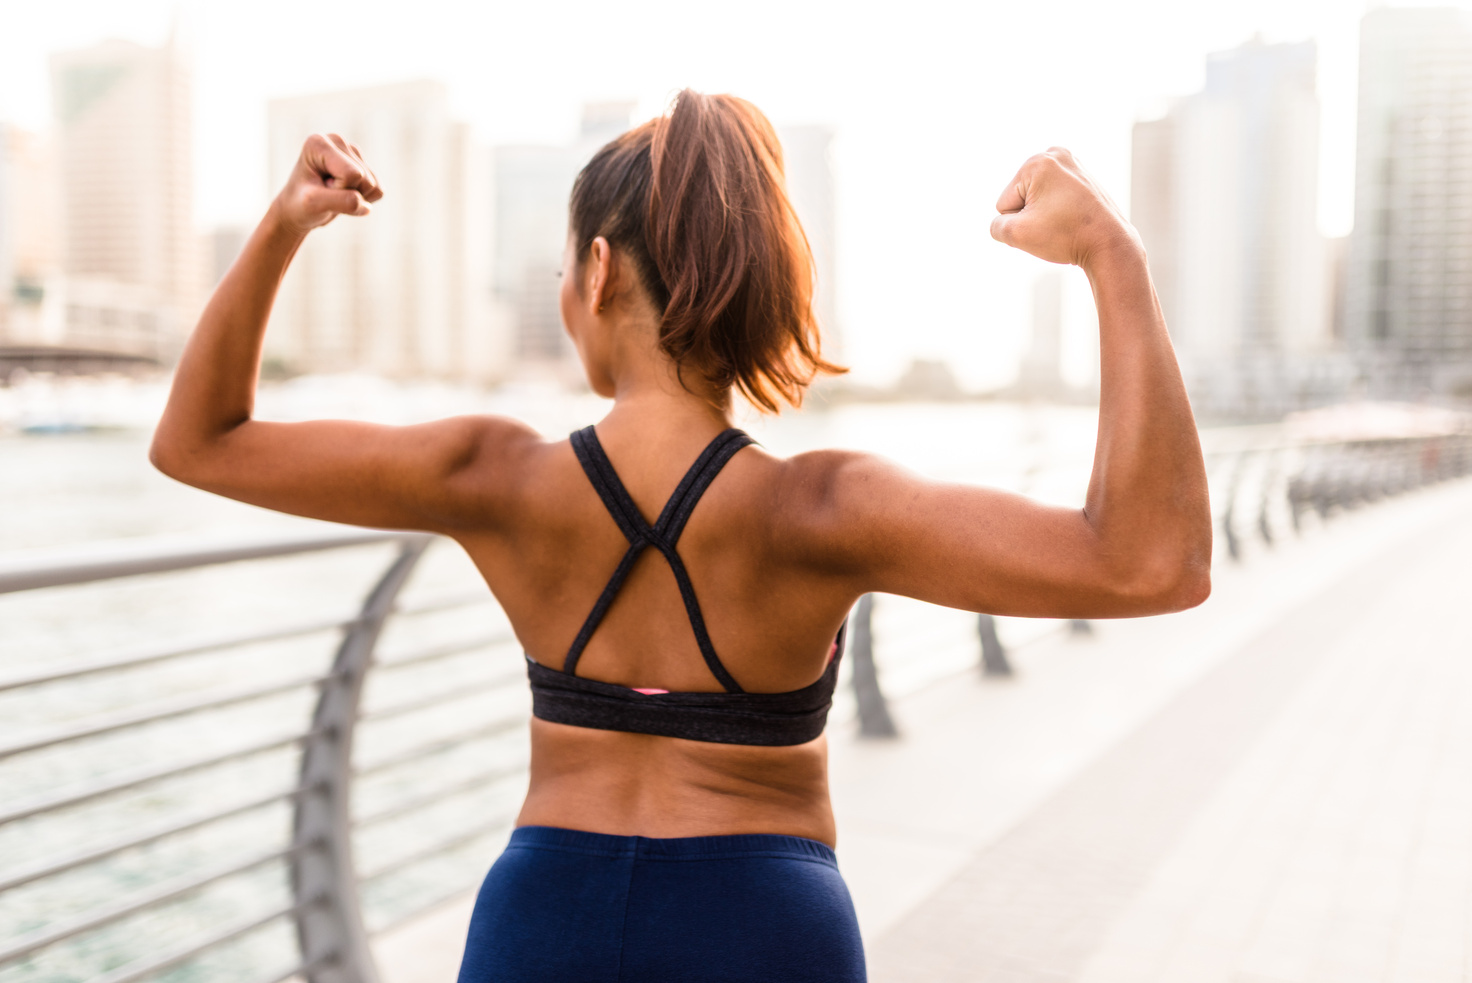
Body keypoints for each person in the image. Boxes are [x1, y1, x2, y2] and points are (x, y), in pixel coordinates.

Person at [151, 89, 1211, 982]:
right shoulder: (822, 508)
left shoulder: (496, 476)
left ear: (599, 273)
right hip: (761, 923)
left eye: (567, 272)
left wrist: (288, 220)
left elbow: (199, 441)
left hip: (542, 921)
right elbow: (1149, 560)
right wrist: (1111, 260)